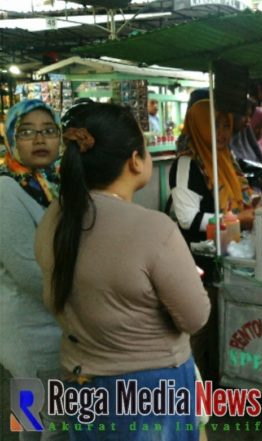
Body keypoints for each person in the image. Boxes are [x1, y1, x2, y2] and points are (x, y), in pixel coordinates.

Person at [34, 102, 211, 441]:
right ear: (134, 160)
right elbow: (195, 317)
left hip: (82, 383)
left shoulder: (53, 218)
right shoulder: (154, 229)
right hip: (150, 392)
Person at [169, 99, 254, 381]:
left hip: (225, 254)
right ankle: (194, 393)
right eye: (215, 125)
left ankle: (216, 384)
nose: (223, 132)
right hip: (197, 262)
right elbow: (187, 220)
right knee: (200, 329)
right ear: (199, 126)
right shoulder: (186, 164)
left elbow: (238, 202)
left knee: (222, 326)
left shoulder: (224, 160)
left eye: (226, 125)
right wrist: (235, 220)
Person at [0, 99, 67, 441]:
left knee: (45, 427)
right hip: (31, 336)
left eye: (48, 131)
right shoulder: (6, 191)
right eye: (26, 132)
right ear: (11, 139)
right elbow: (29, 272)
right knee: (43, 428)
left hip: (56, 330)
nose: (39, 139)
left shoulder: (53, 184)